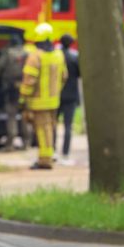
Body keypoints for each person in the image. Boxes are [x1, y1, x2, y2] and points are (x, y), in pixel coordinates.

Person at [19, 23, 67, 170]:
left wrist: (23, 99)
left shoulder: (35, 57)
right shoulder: (59, 56)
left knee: (41, 130)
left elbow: (29, 81)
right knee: (50, 129)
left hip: (38, 102)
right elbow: (64, 77)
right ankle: (48, 156)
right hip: (54, 101)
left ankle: (45, 160)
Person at [0, 33, 28, 150]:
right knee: (25, 115)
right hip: (25, 87)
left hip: (10, 87)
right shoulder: (27, 53)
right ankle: (26, 143)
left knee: (12, 115)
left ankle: (10, 144)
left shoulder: (7, 53)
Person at [56, 34, 81, 164]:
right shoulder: (74, 57)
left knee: (53, 124)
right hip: (71, 95)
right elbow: (80, 73)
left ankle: (52, 151)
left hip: (56, 94)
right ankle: (65, 153)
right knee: (68, 126)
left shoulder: (55, 56)